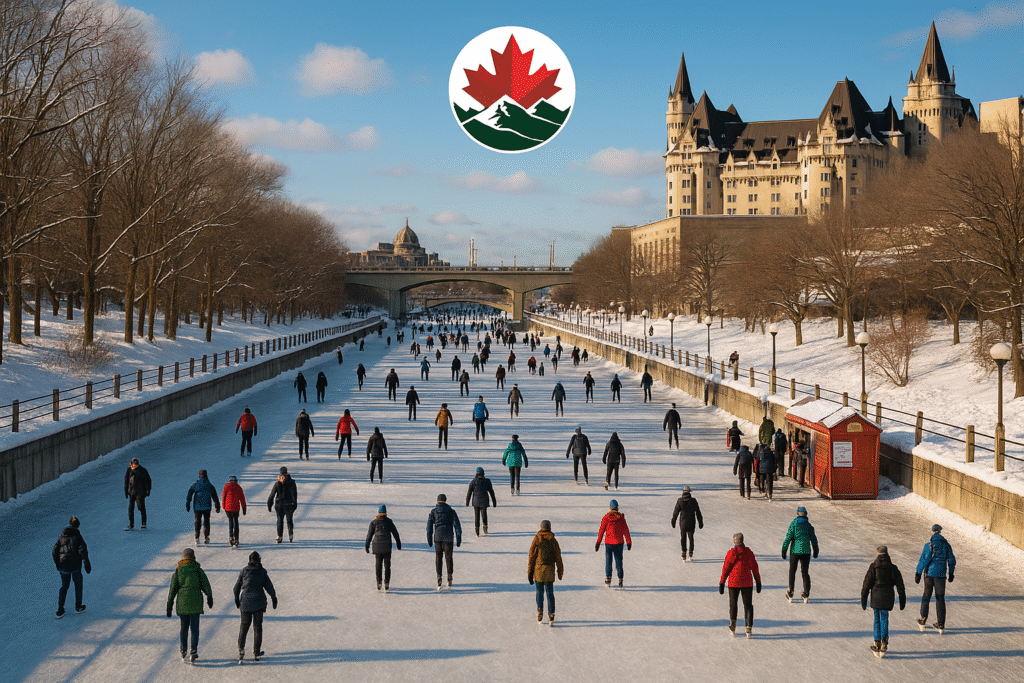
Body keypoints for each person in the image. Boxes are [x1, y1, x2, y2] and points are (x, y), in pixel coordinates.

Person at [166, 547, 213, 664]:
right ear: (193, 557)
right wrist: (209, 597)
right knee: (194, 628)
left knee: (184, 628)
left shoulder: (178, 571)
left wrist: (169, 605)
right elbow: (206, 584)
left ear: (183, 558)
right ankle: (193, 650)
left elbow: (172, 590)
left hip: (182, 602)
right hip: (196, 601)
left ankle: (183, 650)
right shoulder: (198, 570)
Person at [862, 545, 907, 658]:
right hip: (887, 597)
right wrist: (902, 599)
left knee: (876, 619)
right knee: (884, 619)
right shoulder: (893, 568)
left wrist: (863, 598)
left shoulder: (874, 567)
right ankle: (884, 643)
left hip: (876, 597)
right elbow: (900, 585)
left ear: (878, 554)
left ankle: (877, 642)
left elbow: (867, 584)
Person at [234, 550, 277, 663]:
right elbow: (269, 586)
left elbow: (236, 588)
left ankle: (241, 650)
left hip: (246, 602)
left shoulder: (244, 571)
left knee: (244, 626)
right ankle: (256, 652)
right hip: (258, 602)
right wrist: (273, 597)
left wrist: (236, 599)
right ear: (259, 560)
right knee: (257, 627)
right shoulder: (262, 571)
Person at [719, 532, 761, 638]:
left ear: (734, 541)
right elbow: (754, 567)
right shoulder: (748, 552)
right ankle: (748, 627)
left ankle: (733, 624)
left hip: (733, 583)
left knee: (733, 604)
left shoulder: (731, 553)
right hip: (747, 583)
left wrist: (722, 582)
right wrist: (758, 581)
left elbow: (726, 568)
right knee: (748, 605)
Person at [915, 523, 956, 632]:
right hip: (941, 576)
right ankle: (941, 623)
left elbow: (924, 559)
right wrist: (951, 573)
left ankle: (923, 618)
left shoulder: (928, 545)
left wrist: (918, 573)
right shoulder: (946, 545)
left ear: (933, 532)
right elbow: (951, 559)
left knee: (926, 596)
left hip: (929, 575)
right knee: (940, 598)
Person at [53, 516, 90, 618]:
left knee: (64, 586)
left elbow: (54, 551)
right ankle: (78, 607)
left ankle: (60, 610)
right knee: (78, 585)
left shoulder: (62, 536)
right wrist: (87, 563)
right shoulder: (78, 537)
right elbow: (83, 551)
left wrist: (58, 564)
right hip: (75, 567)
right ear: (77, 526)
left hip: (63, 566)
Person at [528, 520, 564, 625]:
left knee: (539, 592)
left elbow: (531, 557)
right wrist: (560, 571)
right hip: (549, 571)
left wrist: (530, 572)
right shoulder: (553, 540)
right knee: (550, 593)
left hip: (538, 571)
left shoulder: (536, 539)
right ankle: (551, 614)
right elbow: (558, 557)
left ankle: (540, 611)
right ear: (550, 527)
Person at [782, 506, 819, 602]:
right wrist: (816, 551)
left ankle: (790, 592)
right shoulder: (809, 526)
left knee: (792, 571)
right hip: (806, 552)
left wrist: (784, 550)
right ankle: (806, 594)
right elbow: (814, 540)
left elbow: (788, 538)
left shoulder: (793, 524)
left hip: (795, 551)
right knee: (805, 572)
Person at [427, 494, 462, 591]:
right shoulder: (451, 511)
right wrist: (459, 538)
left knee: (438, 557)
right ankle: (449, 577)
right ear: (445, 501)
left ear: (438, 501)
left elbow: (429, 527)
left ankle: (439, 577)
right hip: (448, 538)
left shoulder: (434, 511)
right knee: (449, 557)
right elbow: (457, 525)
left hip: (438, 537)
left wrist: (429, 538)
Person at [595, 499, 631, 588]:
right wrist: (629, 541)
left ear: (610, 508)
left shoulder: (606, 517)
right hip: (619, 543)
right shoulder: (621, 518)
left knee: (608, 561)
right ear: (617, 508)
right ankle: (620, 579)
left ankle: (608, 578)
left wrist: (598, 542)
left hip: (609, 544)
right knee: (619, 562)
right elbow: (626, 531)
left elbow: (601, 531)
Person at [365, 505, 402, 591]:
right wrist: (398, 543)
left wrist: (367, 545)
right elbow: (395, 533)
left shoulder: (374, 522)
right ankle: (386, 582)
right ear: (385, 512)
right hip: (387, 547)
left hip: (377, 547)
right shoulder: (389, 522)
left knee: (378, 565)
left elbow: (369, 535)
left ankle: (379, 582)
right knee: (387, 566)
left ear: (378, 512)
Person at [186, 470, 220, 544]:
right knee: (206, 521)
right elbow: (215, 496)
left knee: (197, 521)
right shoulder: (209, 484)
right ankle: (206, 537)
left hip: (197, 507)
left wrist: (188, 503)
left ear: (199, 475)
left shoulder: (195, 484)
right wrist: (217, 505)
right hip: (207, 507)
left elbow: (190, 493)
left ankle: (197, 537)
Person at [671, 486, 704, 562]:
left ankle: (683, 554)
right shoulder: (693, 501)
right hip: (691, 522)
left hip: (683, 523)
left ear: (683, 492)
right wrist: (700, 522)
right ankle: (690, 554)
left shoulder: (680, 500)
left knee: (683, 538)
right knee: (691, 538)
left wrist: (673, 521)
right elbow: (698, 512)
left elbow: (676, 512)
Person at [267, 467, 298, 543]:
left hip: (279, 504)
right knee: (289, 520)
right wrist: (295, 504)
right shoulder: (292, 482)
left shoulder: (277, 483)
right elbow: (294, 494)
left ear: (280, 473)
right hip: (289, 504)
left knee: (280, 521)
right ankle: (290, 534)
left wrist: (269, 504)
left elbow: (272, 495)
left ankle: (279, 536)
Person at [465, 467, 497, 536]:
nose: (480, 476)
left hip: (480, 501)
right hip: (480, 501)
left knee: (482, 515)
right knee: (479, 516)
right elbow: (469, 492)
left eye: (481, 474)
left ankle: (483, 527)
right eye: (479, 474)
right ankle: (478, 529)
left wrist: (494, 501)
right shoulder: (484, 481)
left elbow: (491, 492)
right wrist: (467, 501)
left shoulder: (474, 482)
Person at [124, 457, 151, 531]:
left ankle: (143, 523)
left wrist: (148, 490)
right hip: (131, 493)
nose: (134, 466)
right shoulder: (129, 470)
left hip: (140, 493)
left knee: (141, 507)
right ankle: (131, 524)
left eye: (135, 465)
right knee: (130, 509)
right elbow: (126, 481)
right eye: (133, 465)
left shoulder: (142, 470)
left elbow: (148, 480)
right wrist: (126, 491)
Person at [222, 476, 247, 548]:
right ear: (236, 481)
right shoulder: (238, 487)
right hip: (236, 508)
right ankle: (236, 538)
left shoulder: (226, 487)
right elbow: (242, 498)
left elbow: (224, 497)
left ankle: (231, 537)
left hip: (228, 508)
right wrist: (244, 507)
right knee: (236, 522)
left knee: (230, 521)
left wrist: (224, 506)